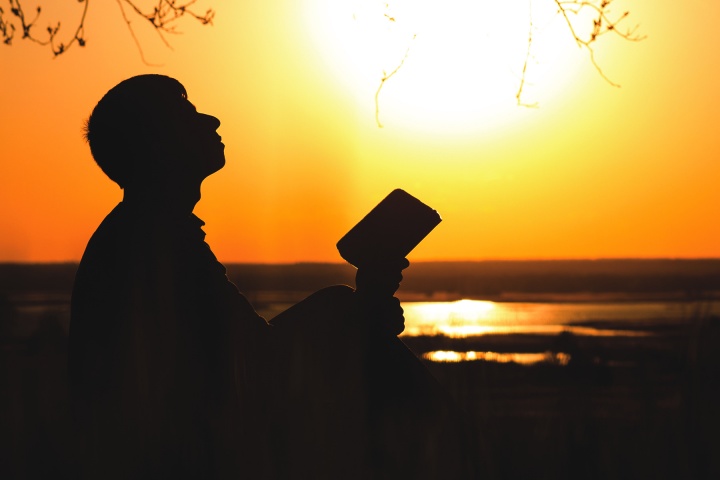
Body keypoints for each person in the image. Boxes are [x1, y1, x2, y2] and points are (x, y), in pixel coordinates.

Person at [69, 74, 473, 479]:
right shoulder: (154, 240)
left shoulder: (151, 233)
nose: (212, 121)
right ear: (157, 145)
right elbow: (255, 370)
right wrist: (354, 313)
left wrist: (362, 306)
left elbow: (248, 357)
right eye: (188, 114)